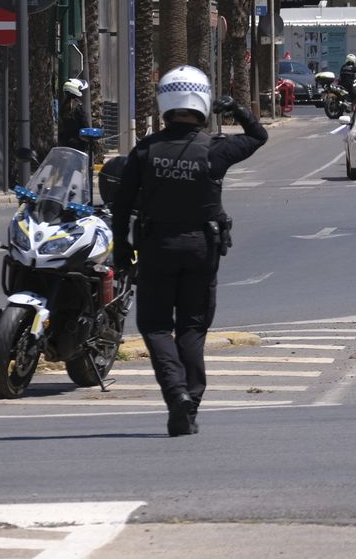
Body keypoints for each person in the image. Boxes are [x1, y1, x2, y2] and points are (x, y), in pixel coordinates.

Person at [111, 66, 267, 437]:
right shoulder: (215, 150)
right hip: (201, 249)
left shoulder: (146, 150)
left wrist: (122, 251)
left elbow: (121, 205)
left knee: (154, 325)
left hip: (157, 249)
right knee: (193, 328)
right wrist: (237, 109)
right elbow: (258, 136)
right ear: (203, 101)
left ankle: (176, 393)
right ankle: (190, 402)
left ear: (165, 101)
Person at [57, 79, 90, 147]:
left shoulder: (64, 105)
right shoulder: (78, 106)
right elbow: (84, 124)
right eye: (81, 89)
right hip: (78, 142)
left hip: (64, 141)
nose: (82, 92)